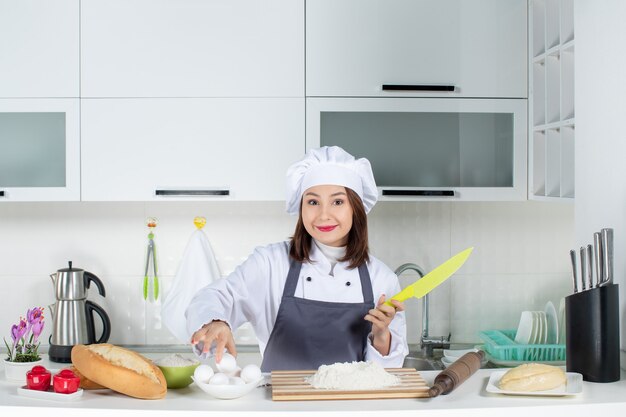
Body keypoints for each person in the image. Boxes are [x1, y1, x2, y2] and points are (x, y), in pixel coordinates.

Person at [186, 146, 408, 371]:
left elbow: (388, 373)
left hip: (350, 404)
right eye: (313, 202)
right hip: (280, 403)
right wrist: (216, 322)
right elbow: (214, 296)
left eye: (337, 202)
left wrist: (381, 336)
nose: (323, 214)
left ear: (355, 208)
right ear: (301, 207)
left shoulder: (382, 279)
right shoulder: (270, 264)